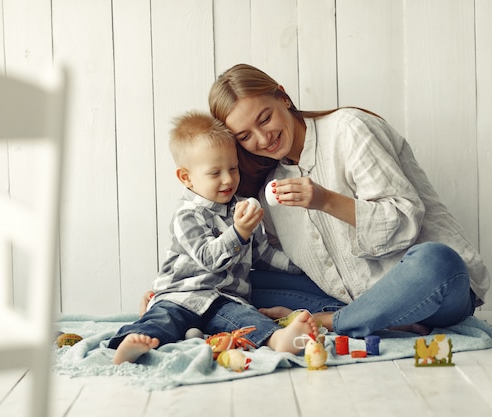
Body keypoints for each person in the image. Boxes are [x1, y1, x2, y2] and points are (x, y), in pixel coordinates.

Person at [206, 63, 490, 338]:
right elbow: (284, 261)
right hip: (350, 297)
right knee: (232, 282)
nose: (262, 138)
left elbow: (403, 219)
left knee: (437, 260)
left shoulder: (349, 129)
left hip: (433, 289)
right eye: (245, 136)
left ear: (283, 97)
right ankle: (376, 318)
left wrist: (325, 200)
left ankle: (331, 321)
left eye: (265, 118)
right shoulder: (270, 186)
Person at [109, 110, 318, 364]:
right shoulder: (187, 216)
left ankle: (278, 340)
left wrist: (303, 265)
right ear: (186, 178)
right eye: (215, 173)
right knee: (163, 319)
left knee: (247, 321)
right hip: (182, 296)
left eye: (233, 168)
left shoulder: (241, 207)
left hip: (225, 300)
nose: (228, 179)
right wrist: (239, 232)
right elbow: (209, 258)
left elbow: (262, 255)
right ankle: (132, 344)